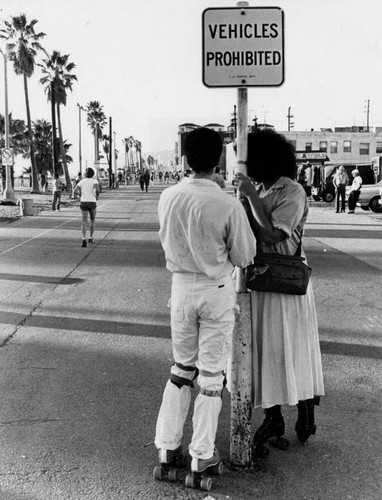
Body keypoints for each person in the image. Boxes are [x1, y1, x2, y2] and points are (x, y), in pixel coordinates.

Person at [154, 127, 256, 479]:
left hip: (180, 288)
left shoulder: (168, 196)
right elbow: (244, 255)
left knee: (181, 369)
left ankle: (167, 447)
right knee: (211, 376)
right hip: (215, 290)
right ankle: (202, 454)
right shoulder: (227, 204)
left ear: (184, 159)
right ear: (218, 162)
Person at [234, 129, 324, 455]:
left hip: (286, 280)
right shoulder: (259, 189)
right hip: (261, 279)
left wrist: (250, 198)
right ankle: (273, 417)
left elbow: (273, 234)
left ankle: (304, 406)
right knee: (266, 350)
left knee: (292, 348)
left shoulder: (292, 190)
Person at [74, 167, 100, 247]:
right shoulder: (94, 181)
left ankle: (83, 238)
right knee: (92, 220)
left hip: (84, 202)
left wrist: (80, 195)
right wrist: (97, 196)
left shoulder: (82, 181)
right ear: (93, 174)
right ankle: (91, 237)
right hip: (92, 202)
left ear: (85, 174)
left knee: (84, 221)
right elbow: (97, 190)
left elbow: (75, 191)